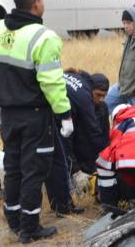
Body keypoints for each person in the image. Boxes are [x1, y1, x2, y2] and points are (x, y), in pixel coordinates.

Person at [0, 0, 73, 242]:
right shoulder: (43, 37)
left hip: (7, 115)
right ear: (36, 4)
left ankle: (13, 219)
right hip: (34, 115)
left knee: (13, 167)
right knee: (34, 170)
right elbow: (52, 81)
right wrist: (64, 114)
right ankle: (30, 227)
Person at [40, 69, 108, 215]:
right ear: (92, 90)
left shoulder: (77, 82)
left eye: (104, 96)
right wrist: (107, 158)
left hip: (45, 112)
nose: (101, 100)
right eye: (98, 95)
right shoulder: (84, 97)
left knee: (53, 162)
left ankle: (60, 205)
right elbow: (93, 132)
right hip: (53, 119)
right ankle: (62, 206)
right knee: (57, 162)